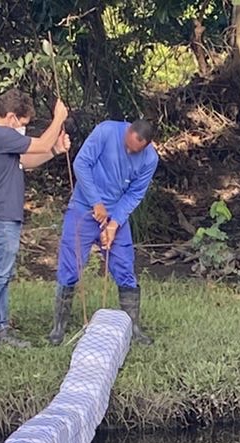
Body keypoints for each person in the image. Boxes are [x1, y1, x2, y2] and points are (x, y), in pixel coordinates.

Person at [0, 89, 71, 350]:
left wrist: (56, 149)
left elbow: (26, 160)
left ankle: (1, 328)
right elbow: (39, 144)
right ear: (11, 117)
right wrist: (58, 119)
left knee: (4, 276)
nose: (22, 129)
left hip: (5, 216)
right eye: (22, 123)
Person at [49, 119, 159, 347]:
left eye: (135, 150)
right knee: (70, 266)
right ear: (128, 131)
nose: (130, 152)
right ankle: (58, 328)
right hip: (83, 208)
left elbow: (135, 193)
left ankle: (133, 327)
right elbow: (81, 164)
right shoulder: (106, 131)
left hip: (116, 214)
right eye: (127, 146)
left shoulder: (150, 159)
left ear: (147, 145)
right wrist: (96, 202)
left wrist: (114, 223)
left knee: (125, 267)